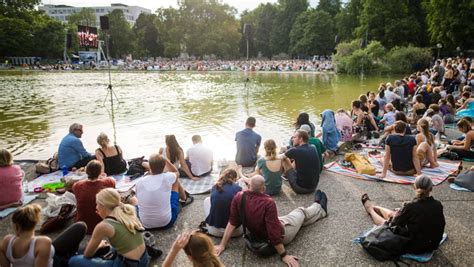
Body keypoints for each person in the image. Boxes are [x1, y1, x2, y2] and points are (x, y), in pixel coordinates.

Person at [215, 176, 328, 267]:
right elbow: (274, 233)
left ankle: (317, 208)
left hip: (258, 232)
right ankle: (320, 208)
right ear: (263, 189)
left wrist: (222, 245)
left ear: (248, 186)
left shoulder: (239, 197)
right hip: (282, 235)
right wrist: (284, 255)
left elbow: (232, 222)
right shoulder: (268, 202)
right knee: (300, 212)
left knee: (294, 220)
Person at [361, 175, 445, 254]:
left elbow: (393, 224)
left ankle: (370, 209)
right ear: (430, 189)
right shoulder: (438, 204)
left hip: (415, 246)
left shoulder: (410, 206)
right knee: (396, 214)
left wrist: (401, 212)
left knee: (387, 223)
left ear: (414, 187)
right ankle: (374, 206)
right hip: (432, 245)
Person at [68, 188, 148, 266]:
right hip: (144, 259)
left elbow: (88, 254)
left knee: (74, 260)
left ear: (103, 206)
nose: (96, 207)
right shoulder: (128, 211)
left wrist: (99, 246)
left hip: (126, 264)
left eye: (97, 204)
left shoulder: (103, 226)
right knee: (113, 246)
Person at [0, 204, 87, 267]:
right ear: (35, 223)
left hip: (51, 256)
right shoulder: (42, 243)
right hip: (57, 262)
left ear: (15, 225)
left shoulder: (7, 241)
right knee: (81, 229)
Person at [136, 154, 193, 230]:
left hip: (145, 225)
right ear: (164, 166)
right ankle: (184, 198)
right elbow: (177, 173)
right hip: (167, 223)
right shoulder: (167, 177)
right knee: (175, 180)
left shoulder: (139, 182)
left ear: (149, 166)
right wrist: (166, 160)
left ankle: (183, 198)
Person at [72, 160, 116, 234]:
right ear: (100, 172)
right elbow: (113, 181)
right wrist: (104, 177)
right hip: (103, 223)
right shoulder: (108, 182)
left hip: (82, 225)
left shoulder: (77, 185)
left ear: (86, 171)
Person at [203, 169, 243, 237]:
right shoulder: (238, 188)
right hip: (236, 231)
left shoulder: (215, 187)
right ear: (235, 179)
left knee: (207, 200)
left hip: (213, 230)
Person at [282, 130, 321, 194]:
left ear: (301, 139)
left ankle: (277, 181)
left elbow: (279, 158)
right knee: (297, 159)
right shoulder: (313, 147)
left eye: (294, 137)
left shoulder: (294, 150)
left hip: (300, 188)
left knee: (284, 160)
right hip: (313, 187)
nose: (292, 139)